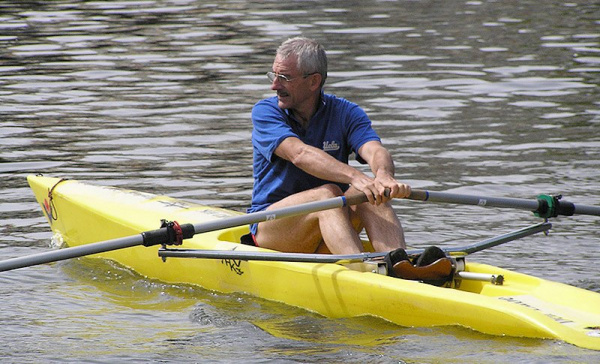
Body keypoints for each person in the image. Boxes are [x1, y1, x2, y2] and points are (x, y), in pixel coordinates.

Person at [246, 36, 412, 258]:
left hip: (328, 225)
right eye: (274, 75)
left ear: (314, 82)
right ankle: (359, 271)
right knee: (329, 194)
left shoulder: (346, 112)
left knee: (371, 190)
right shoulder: (266, 112)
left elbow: (374, 149)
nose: (274, 85)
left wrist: (384, 176)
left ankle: (399, 264)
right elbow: (299, 154)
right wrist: (354, 176)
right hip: (272, 227)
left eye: (284, 78)